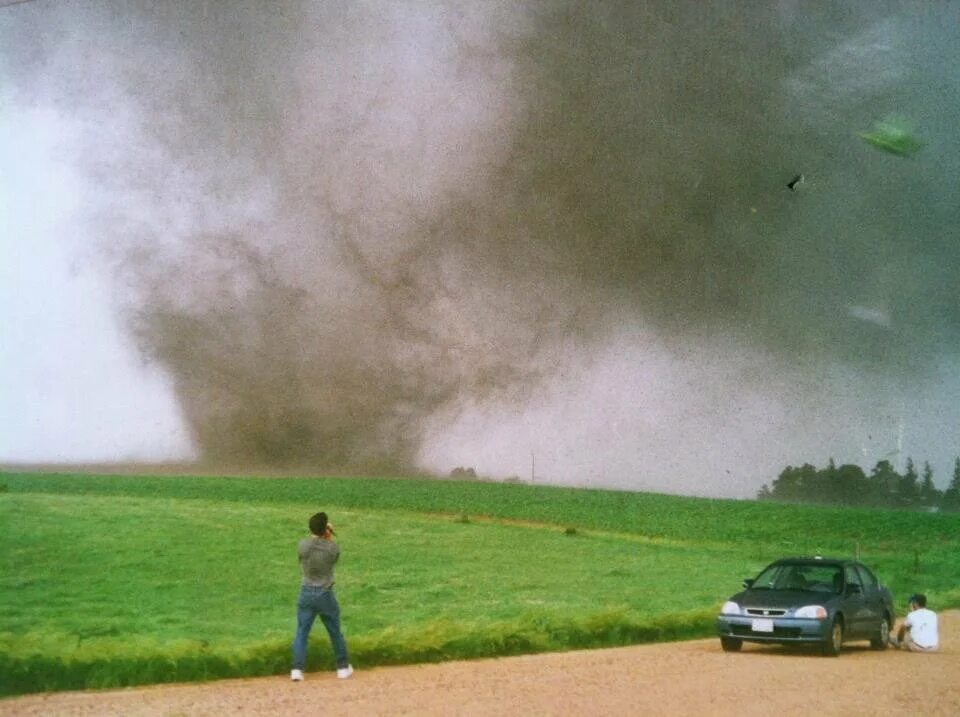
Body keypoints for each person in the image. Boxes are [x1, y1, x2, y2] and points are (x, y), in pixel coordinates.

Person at [291, 512, 353, 681]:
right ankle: (342, 667)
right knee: (334, 631)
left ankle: (297, 669)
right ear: (326, 528)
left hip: (306, 591)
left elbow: (304, 553)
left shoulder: (303, 545)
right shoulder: (332, 547)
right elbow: (333, 556)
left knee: (302, 632)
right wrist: (329, 536)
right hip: (325, 592)